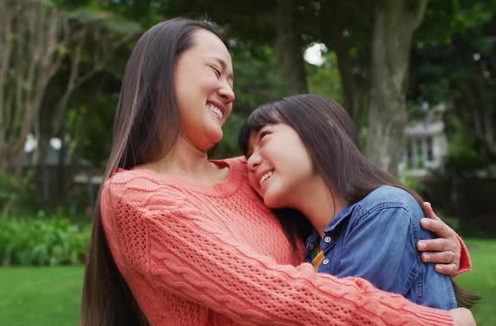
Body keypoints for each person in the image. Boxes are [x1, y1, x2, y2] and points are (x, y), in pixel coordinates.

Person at [80, 18, 474, 325]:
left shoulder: (249, 177)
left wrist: (433, 243)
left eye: (231, 80)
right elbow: (270, 293)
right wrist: (427, 322)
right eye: (216, 71)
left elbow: (340, 228)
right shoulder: (138, 196)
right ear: (159, 75)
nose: (229, 92)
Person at [239, 94, 479, 310]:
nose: (250, 162)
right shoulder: (313, 244)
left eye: (264, 137)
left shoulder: (386, 209)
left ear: (321, 131)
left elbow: (344, 316)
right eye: (248, 154)